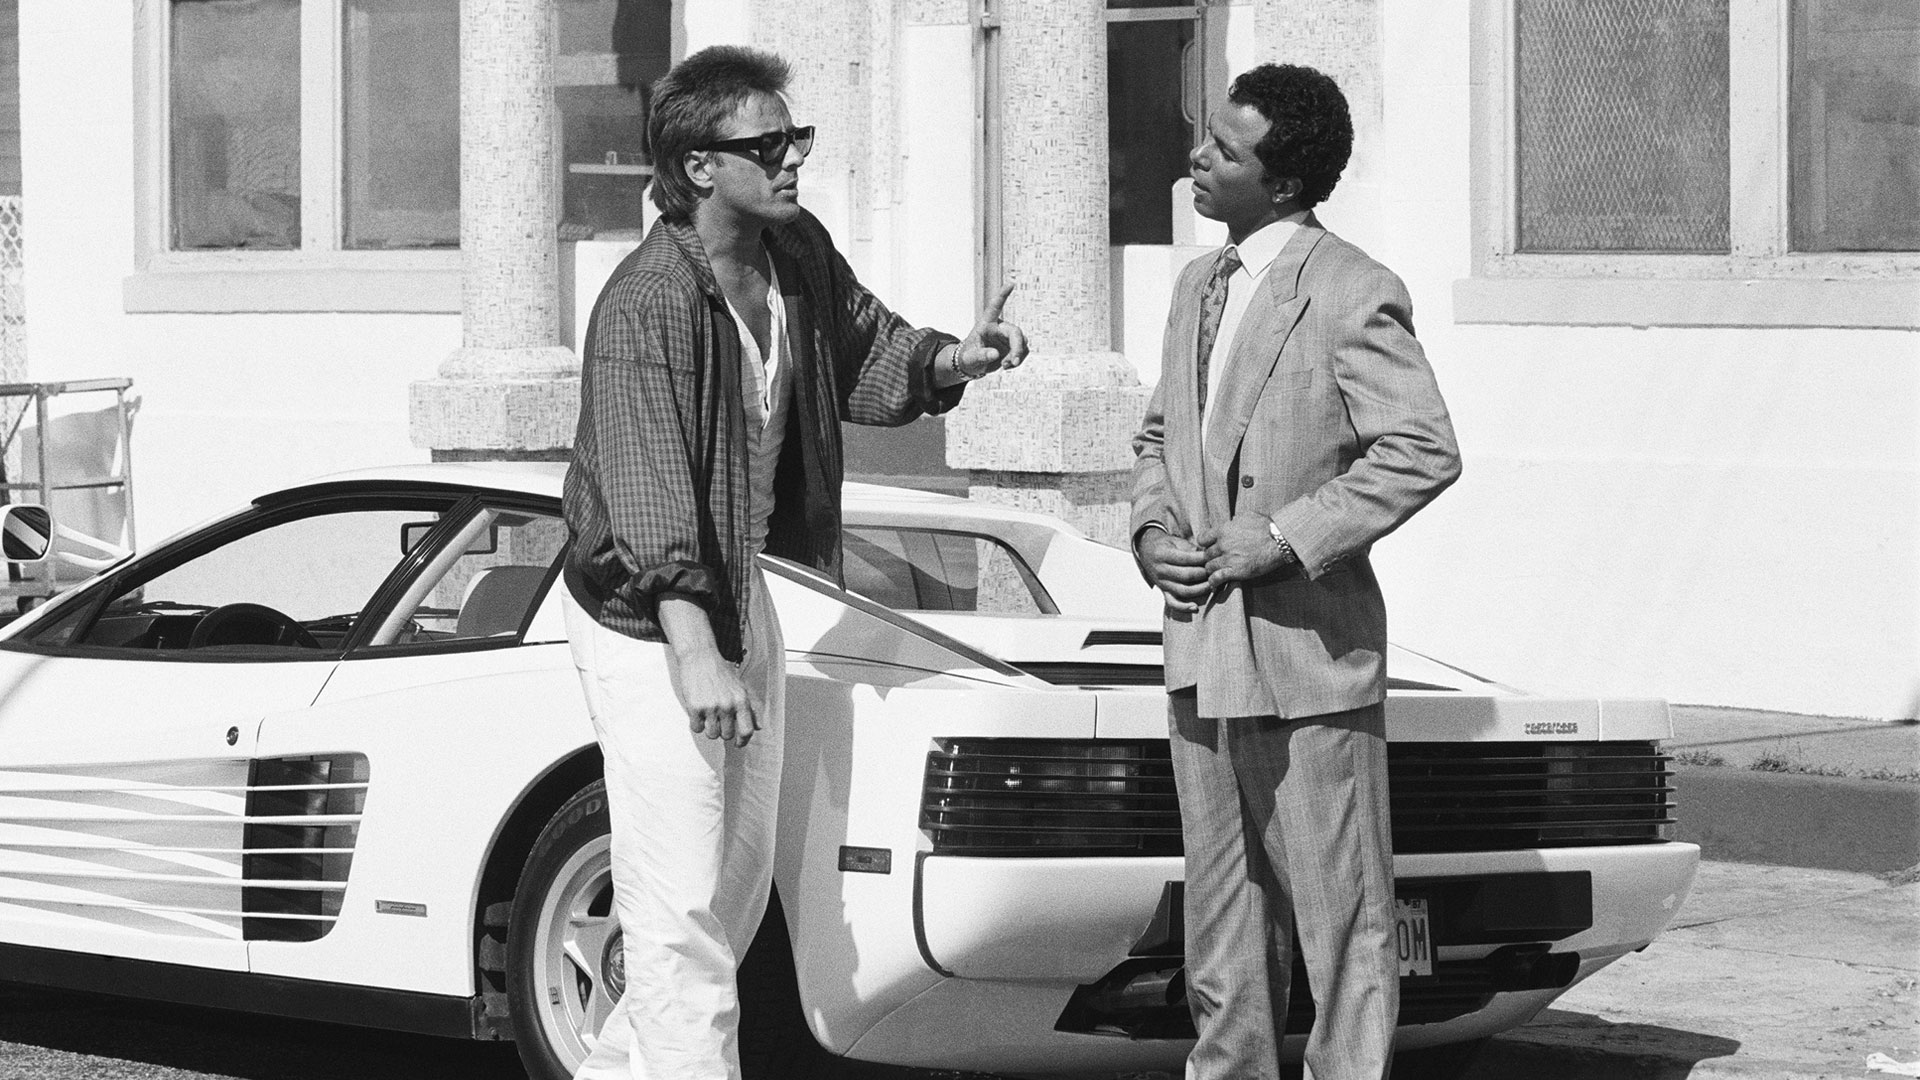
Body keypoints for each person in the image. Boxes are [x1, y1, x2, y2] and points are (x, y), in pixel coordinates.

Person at [560, 45, 1026, 1080]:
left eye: (795, 137)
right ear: (698, 167)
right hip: (648, 620)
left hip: (744, 589)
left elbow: (862, 346)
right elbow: (647, 491)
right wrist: (695, 651)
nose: (792, 159)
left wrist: (955, 360)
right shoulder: (646, 303)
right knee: (678, 905)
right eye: (766, 145)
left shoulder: (794, 252)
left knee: (731, 890)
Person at [1130, 64, 1461, 1080]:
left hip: (1307, 658)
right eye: (1206, 134)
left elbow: (1422, 449)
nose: (1197, 156)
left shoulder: (1354, 288)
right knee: (1221, 927)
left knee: (1343, 923)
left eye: (1224, 150)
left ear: (1282, 183)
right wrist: (1151, 533)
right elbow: (1160, 436)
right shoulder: (1199, 284)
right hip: (1200, 650)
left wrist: (1280, 537)